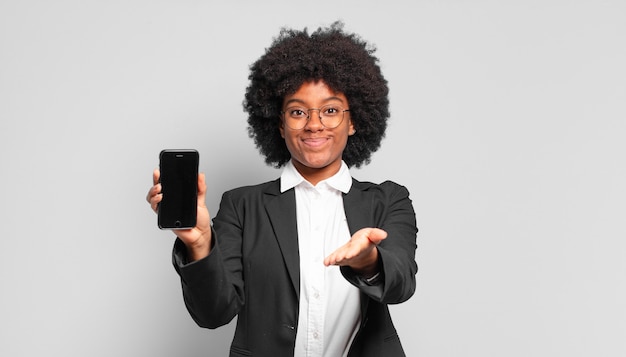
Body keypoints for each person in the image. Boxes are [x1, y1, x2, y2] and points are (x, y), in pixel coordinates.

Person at [147, 21, 418, 357]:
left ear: (354, 121)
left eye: (331, 110)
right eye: (298, 111)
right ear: (279, 122)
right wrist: (200, 243)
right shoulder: (241, 206)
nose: (314, 123)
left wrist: (368, 261)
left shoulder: (389, 200)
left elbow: (402, 284)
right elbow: (213, 313)